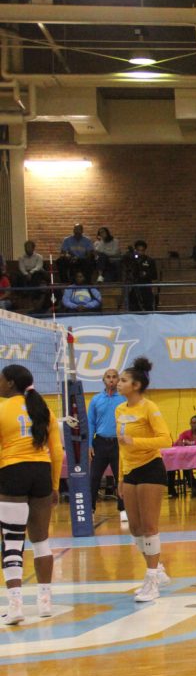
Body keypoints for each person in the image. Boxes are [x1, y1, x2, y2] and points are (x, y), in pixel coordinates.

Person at [0, 364, 64, 623]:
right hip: (41, 473)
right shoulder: (43, 409)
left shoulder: (2, 408)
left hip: (13, 472)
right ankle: (45, 602)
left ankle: (15, 607)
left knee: (12, 541)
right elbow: (57, 451)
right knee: (41, 541)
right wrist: (55, 486)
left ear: (11, 383)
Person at [116, 358, 174, 603]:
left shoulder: (149, 407)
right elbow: (121, 447)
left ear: (136, 385)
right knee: (135, 528)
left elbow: (166, 440)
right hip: (130, 472)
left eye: (123, 380)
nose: (118, 384)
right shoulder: (119, 410)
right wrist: (120, 477)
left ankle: (151, 581)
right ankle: (157, 568)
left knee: (150, 526)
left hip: (150, 467)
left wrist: (136, 443)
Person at [88, 368, 127, 525]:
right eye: (108, 377)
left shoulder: (124, 399)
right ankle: (90, 510)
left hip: (118, 443)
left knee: (121, 477)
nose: (111, 379)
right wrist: (90, 444)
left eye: (114, 377)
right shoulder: (96, 400)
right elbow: (90, 422)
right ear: (103, 380)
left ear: (118, 380)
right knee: (94, 478)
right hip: (101, 443)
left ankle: (123, 509)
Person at [125, 241, 158, 312]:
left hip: (146, 286)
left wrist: (146, 274)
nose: (140, 253)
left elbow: (154, 276)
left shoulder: (150, 261)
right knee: (133, 307)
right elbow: (126, 270)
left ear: (145, 250)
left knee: (148, 307)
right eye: (138, 250)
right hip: (134, 286)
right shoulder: (131, 260)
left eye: (142, 250)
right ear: (135, 250)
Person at [16, 240, 49, 312]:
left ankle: (34, 294)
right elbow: (21, 268)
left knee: (37, 275)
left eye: (29, 247)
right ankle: (22, 293)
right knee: (17, 276)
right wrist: (26, 274)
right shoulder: (21, 257)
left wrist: (31, 272)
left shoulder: (39, 256)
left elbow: (38, 266)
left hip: (36, 272)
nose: (27, 249)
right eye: (26, 247)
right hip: (26, 273)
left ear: (33, 248)